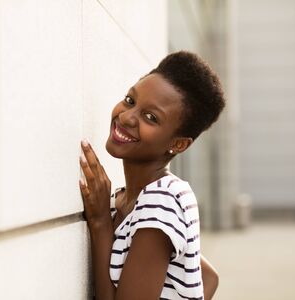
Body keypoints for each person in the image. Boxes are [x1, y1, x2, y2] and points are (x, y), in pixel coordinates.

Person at [79, 51, 224, 300]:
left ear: (178, 145)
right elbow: (208, 278)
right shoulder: (135, 200)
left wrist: (101, 222)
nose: (126, 117)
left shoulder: (161, 201)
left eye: (151, 117)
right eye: (130, 100)